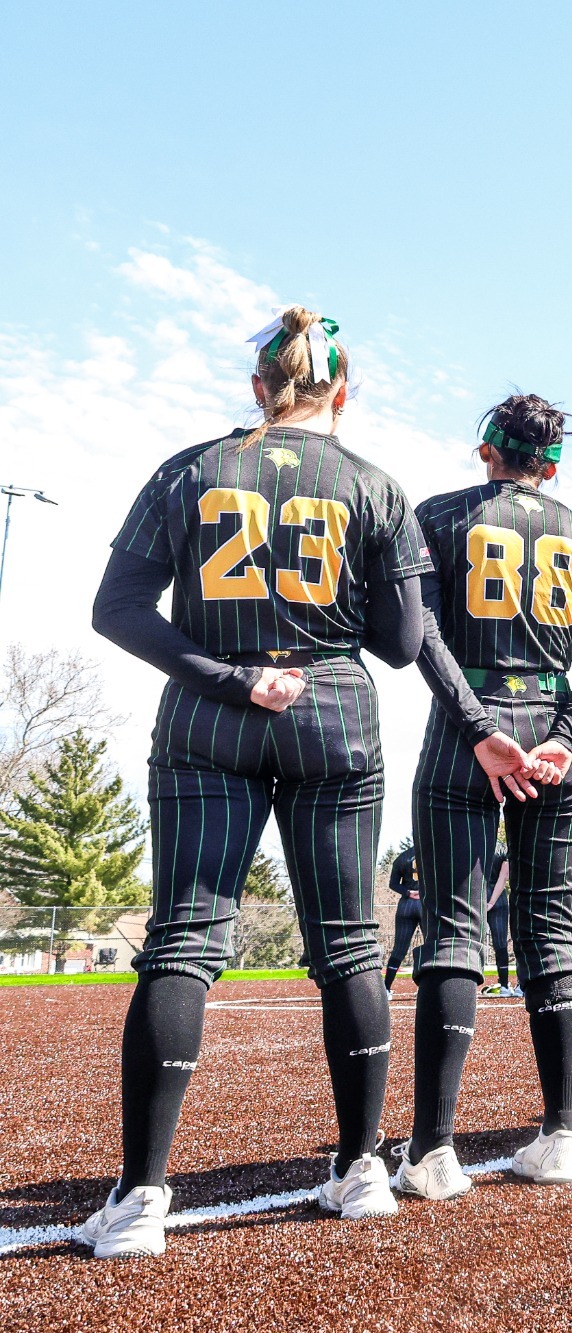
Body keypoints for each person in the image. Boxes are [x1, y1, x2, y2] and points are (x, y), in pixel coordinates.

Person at [83, 307, 434, 1256]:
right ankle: (361, 1168)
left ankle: (140, 1198)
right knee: (352, 942)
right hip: (334, 713)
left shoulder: (191, 467)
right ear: (343, 394)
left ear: (257, 388)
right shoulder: (374, 484)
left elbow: (115, 609)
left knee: (185, 939)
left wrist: (233, 677)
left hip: (210, 710)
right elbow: (403, 648)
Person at [398, 392, 572, 1197]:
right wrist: (566, 733)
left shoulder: (440, 514)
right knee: (552, 929)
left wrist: (479, 726)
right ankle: (560, 1134)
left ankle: (433, 1150)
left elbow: (420, 631)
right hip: (558, 734)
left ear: (486, 448)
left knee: (454, 931)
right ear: (553, 462)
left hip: (469, 732)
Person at [383, 842, 423, 991]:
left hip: (406, 904)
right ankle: (427, 987)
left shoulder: (402, 857)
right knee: (430, 946)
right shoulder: (432, 855)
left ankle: (386, 988)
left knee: (399, 948)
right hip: (426, 904)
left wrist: (408, 892)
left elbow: (393, 884)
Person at [482, 848, 517, 998]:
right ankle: (504, 985)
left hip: (477, 897)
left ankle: (466, 984)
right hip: (498, 900)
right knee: (500, 945)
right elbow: (503, 878)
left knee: (470, 942)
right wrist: (491, 902)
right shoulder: (502, 848)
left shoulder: (476, 839)